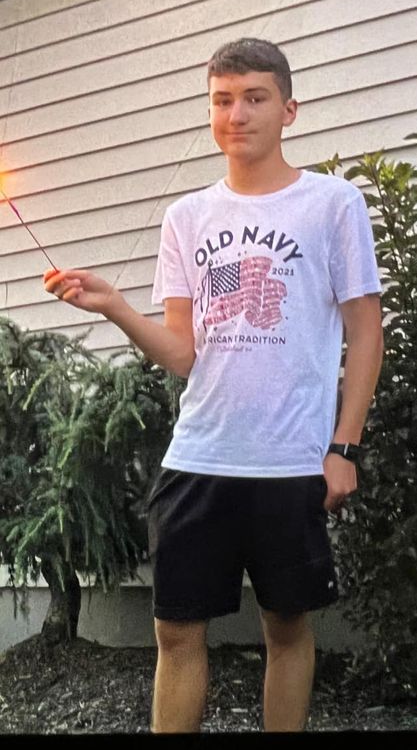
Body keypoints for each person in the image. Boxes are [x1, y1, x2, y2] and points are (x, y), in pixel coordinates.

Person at [44, 37, 383, 733]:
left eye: (254, 98)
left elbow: (365, 331)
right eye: (222, 100)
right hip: (198, 458)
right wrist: (114, 306)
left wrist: (343, 446)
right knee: (174, 633)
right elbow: (182, 354)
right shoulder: (188, 217)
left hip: (290, 461)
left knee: (285, 628)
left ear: (288, 109)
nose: (237, 114)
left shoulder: (332, 204)